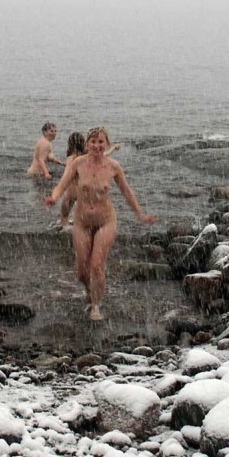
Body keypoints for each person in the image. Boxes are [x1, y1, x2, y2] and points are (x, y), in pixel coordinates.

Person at [45, 126, 154, 321]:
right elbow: (62, 185)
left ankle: (96, 305)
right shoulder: (77, 163)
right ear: (87, 144)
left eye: (101, 141)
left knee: (96, 266)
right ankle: (89, 291)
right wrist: (53, 197)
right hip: (81, 222)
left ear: (107, 144)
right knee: (81, 272)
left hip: (106, 221)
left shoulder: (113, 166)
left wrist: (140, 214)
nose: (97, 145)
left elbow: (127, 192)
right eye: (93, 142)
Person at [59, 133, 121, 229]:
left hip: (71, 191)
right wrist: (113, 148)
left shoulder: (71, 158)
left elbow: (66, 174)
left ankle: (65, 228)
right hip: (83, 191)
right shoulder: (87, 156)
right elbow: (104, 154)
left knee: (64, 215)